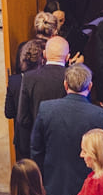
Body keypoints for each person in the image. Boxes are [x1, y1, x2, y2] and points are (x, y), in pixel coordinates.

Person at [31, 62, 103, 195]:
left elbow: (36, 149)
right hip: (87, 187)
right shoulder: (101, 116)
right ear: (90, 86)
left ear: (65, 85)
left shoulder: (46, 109)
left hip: (53, 183)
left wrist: (41, 179)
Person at [15, 34, 73, 163]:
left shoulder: (29, 78)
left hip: (39, 145)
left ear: (45, 54)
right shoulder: (73, 78)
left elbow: (22, 118)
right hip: (67, 146)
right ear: (68, 57)